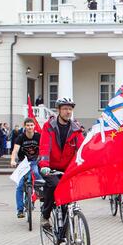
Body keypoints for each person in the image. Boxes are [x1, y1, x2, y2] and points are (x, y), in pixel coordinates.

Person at [38, 98, 84, 228]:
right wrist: (45, 166)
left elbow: (82, 148)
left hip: (67, 168)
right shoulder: (49, 126)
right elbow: (44, 147)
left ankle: (67, 232)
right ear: (58, 110)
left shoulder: (76, 129)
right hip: (49, 167)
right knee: (54, 185)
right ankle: (45, 215)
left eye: (70, 109)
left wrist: (86, 163)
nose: (68, 112)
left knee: (67, 198)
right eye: (64, 109)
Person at [11, 118, 42, 219]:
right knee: (20, 186)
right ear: (24, 126)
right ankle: (20, 210)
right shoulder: (21, 137)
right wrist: (12, 160)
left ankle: (34, 197)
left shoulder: (38, 136)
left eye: (31, 125)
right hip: (23, 163)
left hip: (34, 162)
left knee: (37, 175)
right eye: (28, 125)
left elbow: (44, 148)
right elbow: (15, 151)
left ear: (34, 126)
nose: (30, 127)